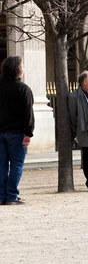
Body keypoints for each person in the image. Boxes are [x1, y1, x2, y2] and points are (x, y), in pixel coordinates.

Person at [0, 56, 34, 205]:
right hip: (17, 133)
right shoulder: (23, 88)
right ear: (17, 69)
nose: (24, 69)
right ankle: (12, 195)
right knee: (16, 165)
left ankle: (1, 195)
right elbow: (28, 113)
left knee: (1, 166)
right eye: (22, 66)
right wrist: (29, 133)